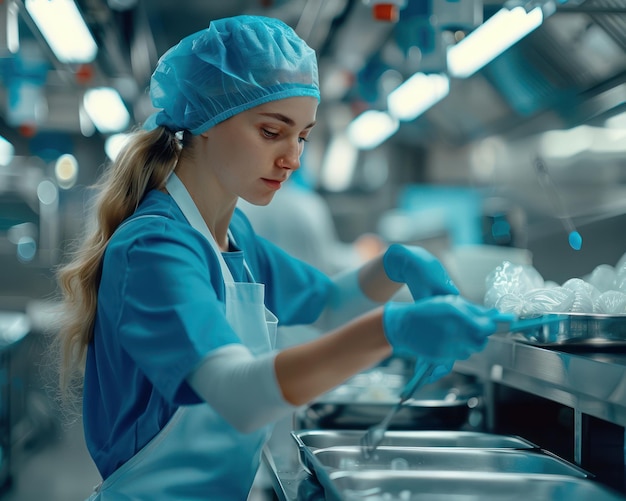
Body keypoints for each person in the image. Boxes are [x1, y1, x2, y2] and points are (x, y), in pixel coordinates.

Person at [54, 15, 505, 500]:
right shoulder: (154, 249)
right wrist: (391, 330)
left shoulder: (231, 235)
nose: (293, 157)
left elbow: (329, 303)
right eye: (272, 132)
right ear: (206, 119)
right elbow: (237, 395)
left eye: (303, 136)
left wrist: (396, 265)